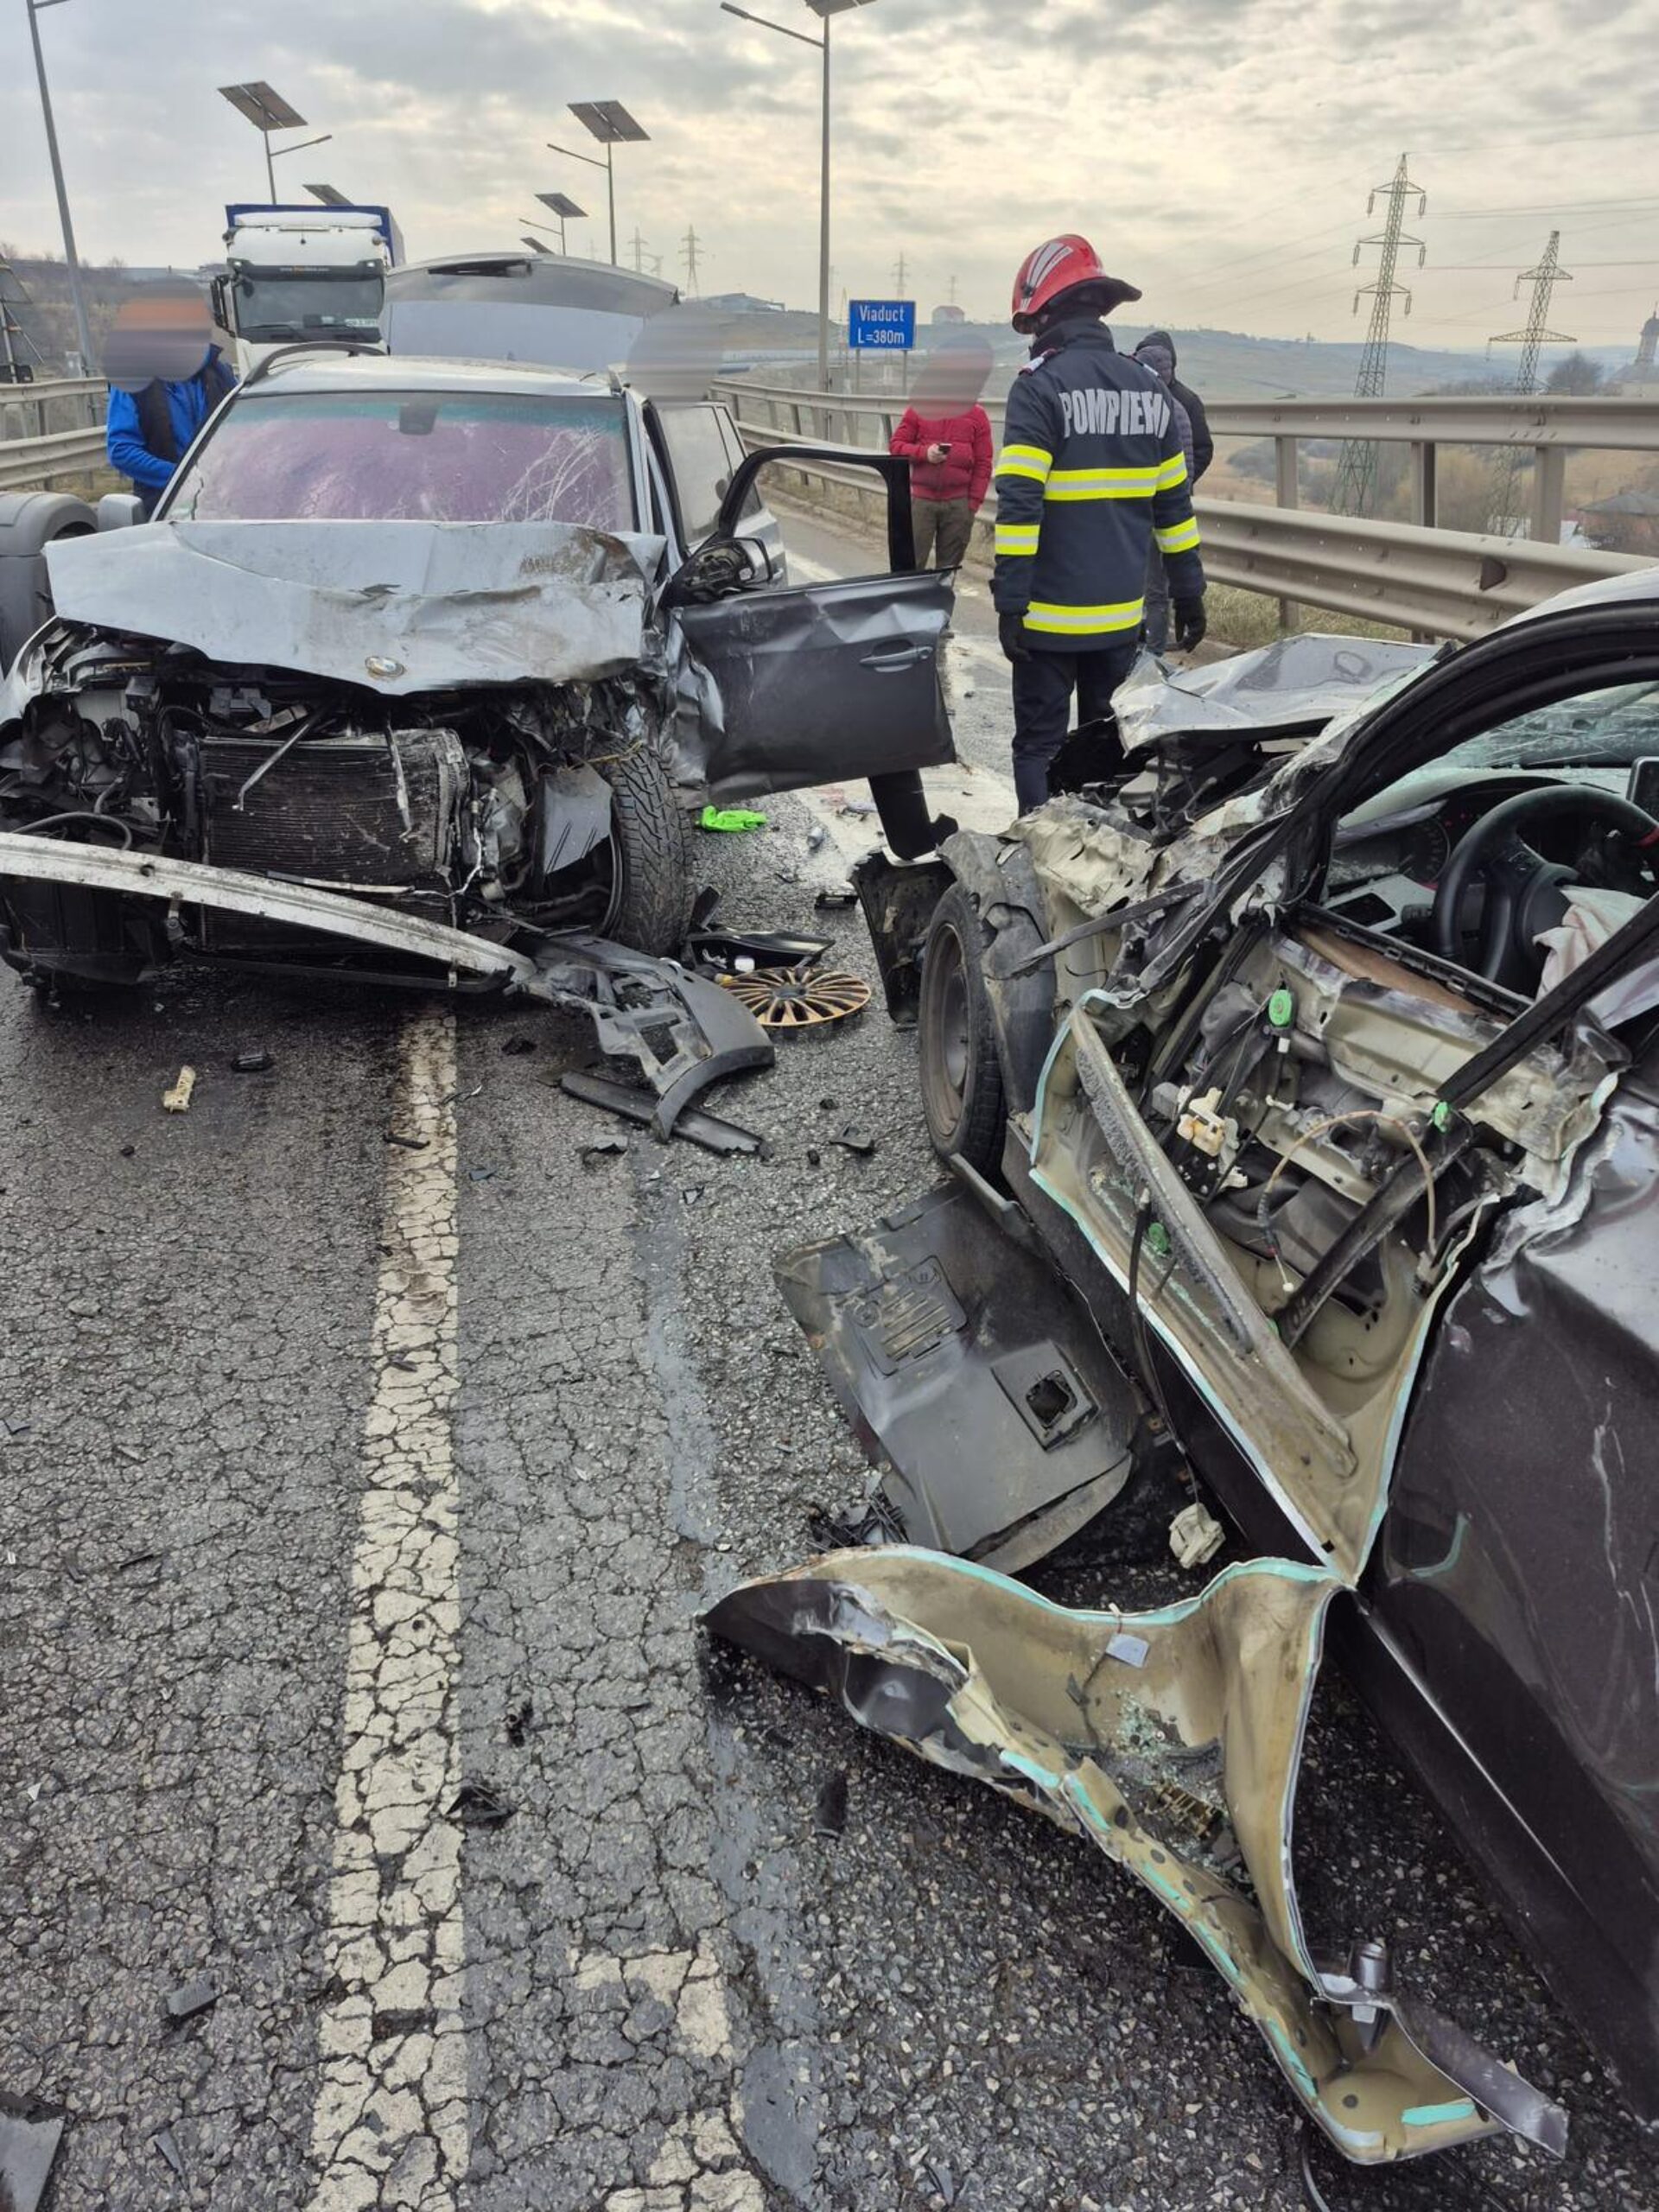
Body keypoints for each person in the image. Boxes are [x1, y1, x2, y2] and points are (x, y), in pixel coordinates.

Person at [992, 236, 1205, 813]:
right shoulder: (1150, 389)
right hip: (1118, 619)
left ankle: (1040, 854)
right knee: (1099, 750)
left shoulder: (1039, 386)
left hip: (1047, 619)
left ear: (1046, 314)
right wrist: (1189, 591)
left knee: (1039, 748)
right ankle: (1098, 852)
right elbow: (1173, 506)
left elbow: (1020, 504)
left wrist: (1010, 601)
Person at [105, 288, 236, 516]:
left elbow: (247, 433)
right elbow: (122, 450)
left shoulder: (220, 373)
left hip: (225, 500)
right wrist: (182, 479)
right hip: (165, 506)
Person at [889, 340, 995, 571]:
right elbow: (896, 446)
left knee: (947, 572)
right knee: (911, 568)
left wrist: (972, 504)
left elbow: (984, 464)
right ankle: (912, 596)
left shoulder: (977, 416)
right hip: (922, 503)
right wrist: (924, 453)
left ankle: (941, 597)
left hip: (959, 506)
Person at [1133, 334, 1195, 656]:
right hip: (1171, 509)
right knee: (1157, 587)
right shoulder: (1178, 408)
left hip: (1146, 510)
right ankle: (1151, 650)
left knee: (1150, 588)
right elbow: (1187, 463)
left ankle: (1149, 653)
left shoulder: (1147, 408)